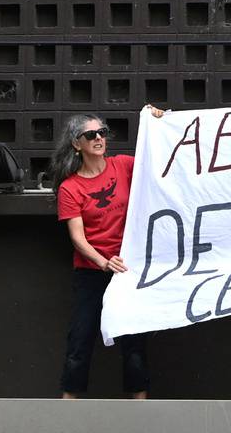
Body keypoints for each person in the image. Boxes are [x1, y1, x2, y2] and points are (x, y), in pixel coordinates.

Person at [54, 107, 163, 400]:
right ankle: (66, 411)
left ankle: (139, 412)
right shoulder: (70, 188)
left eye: (102, 132)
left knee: (134, 339)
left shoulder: (123, 165)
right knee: (81, 339)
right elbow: (77, 238)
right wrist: (103, 262)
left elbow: (159, 157)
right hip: (92, 272)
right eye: (91, 135)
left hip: (128, 268)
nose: (99, 138)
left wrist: (159, 122)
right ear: (77, 144)